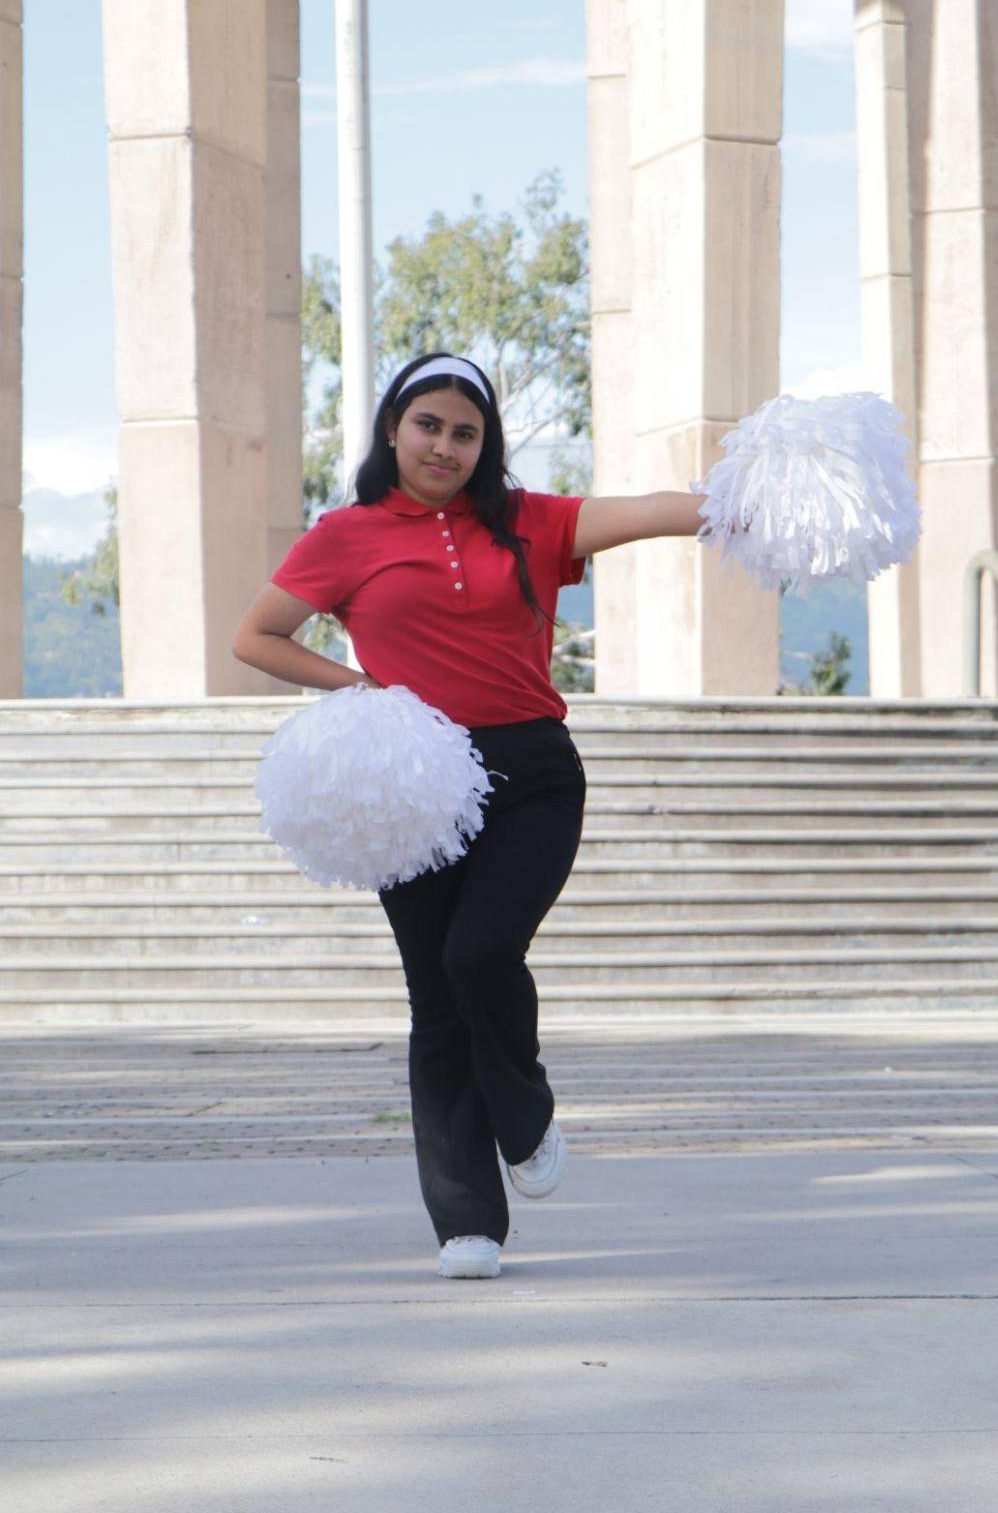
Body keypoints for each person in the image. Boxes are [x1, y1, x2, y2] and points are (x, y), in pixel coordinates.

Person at [232, 351, 704, 1280]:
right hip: (413, 783)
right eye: (428, 426)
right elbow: (257, 636)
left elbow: (660, 511)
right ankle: (466, 1222)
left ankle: (524, 1117)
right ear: (393, 430)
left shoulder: (535, 522)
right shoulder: (347, 533)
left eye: (465, 432)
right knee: (435, 1001)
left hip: (532, 772)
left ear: (486, 445)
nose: (444, 446)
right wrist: (362, 688)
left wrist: (761, 495)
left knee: (480, 953)